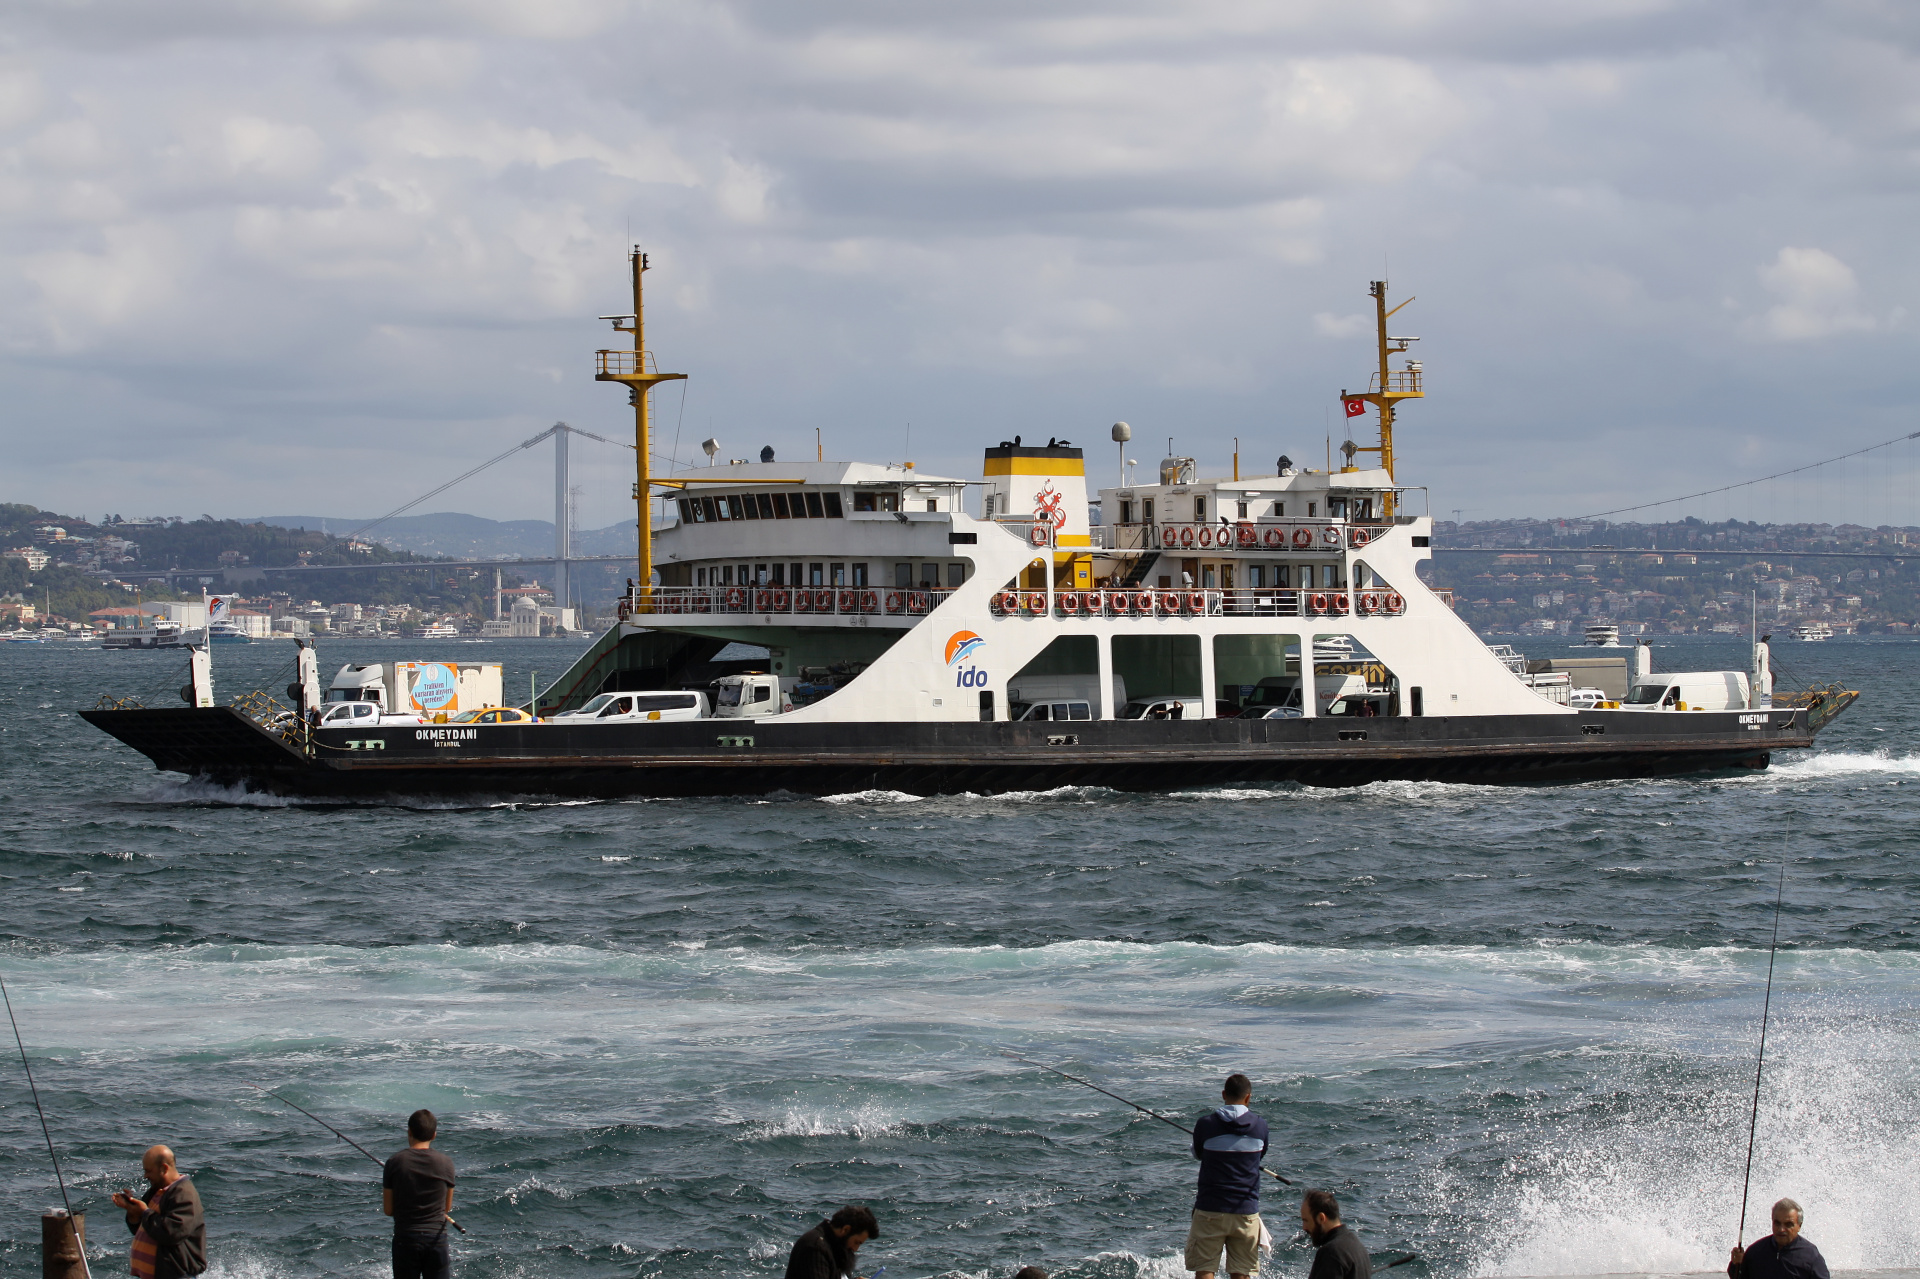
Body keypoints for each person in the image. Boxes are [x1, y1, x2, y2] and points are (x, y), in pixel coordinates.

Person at [1185, 1073, 1270, 1279]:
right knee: (1241, 1272)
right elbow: (1259, 1156)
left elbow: (1198, 1154)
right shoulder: (1260, 1127)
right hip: (1245, 1210)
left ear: (1224, 1094)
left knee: (1205, 1268)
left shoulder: (1205, 1124)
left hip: (1210, 1208)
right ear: (1248, 1098)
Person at [112, 1145, 206, 1279]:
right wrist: (132, 1211)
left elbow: (171, 1233)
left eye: (148, 1171)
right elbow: (144, 1228)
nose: (145, 1176)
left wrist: (144, 1212)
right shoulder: (157, 1191)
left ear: (164, 1168)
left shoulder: (184, 1193)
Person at [384, 1109, 456, 1279]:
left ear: (409, 1131)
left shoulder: (394, 1162)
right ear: (434, 1135)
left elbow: (388, 1210)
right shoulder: (446, 1163)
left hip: (406, 1239)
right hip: (436, 1240)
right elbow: (446, 1208)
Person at [1730, 1198, 1830, 1279]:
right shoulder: (1755, 1251)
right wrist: (1736, 1264)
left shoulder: (1811, 1256)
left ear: (1799, 1226)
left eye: (1788, 1224)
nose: (1781, 1229)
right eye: (1777, 1223)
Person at [785, 1205, 880, 1279]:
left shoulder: (837, 1248)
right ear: (845, 1230)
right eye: (856, 1242)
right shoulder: (815, 1248)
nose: (855, 1249)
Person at [1301, 1189, 1369, 1279]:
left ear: (1321, 1218)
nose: (1304, 1227)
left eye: (1306, 1220)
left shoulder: (1331, 1252)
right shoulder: (1358, 1247)